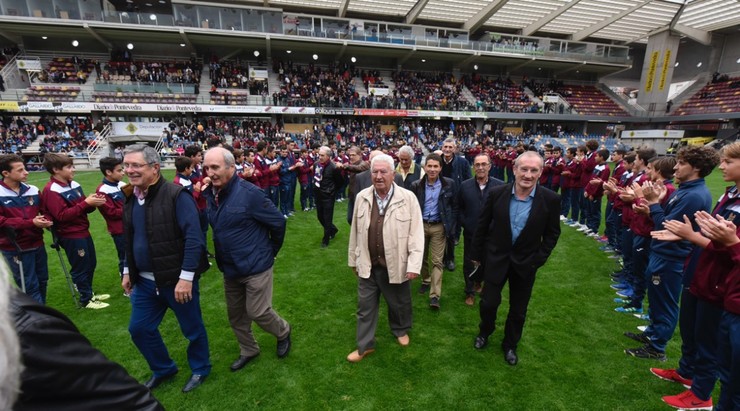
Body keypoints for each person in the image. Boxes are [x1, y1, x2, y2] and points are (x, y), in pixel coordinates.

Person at [5, 257, 164, 410]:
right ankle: (163, 369)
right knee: (138, 329)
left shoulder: (27, 331)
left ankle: (87, 295)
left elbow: (132, 401)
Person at [120, 144, 211, 393]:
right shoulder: (130, 196)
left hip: (175, 279)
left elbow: (194, 239)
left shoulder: (176, 195)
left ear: (155, 168)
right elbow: (131, 237)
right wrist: (128, 269)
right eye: (126, 165)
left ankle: (201, 368)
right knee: (139, 329)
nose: (129, 170)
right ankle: (163, 369)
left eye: (136, 165)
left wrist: (186, 278)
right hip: (146, 283)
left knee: (192, 329)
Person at [625, 146, 720, 361]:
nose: (675, 167)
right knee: (657, 299)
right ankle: (652, 334)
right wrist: (652, 209)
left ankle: (657, 347)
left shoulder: (694, 195)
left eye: (681, 163)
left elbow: (667, 228)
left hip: (671, 257)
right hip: (663, 253)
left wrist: (652, 204)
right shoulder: (685, 190)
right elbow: (665, 220)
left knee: (665, 302)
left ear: (696, 167)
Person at [201, 147, 292, 372]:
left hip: (256, 265)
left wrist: (270, 250)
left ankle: (283, 331)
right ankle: (249, 349)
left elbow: (278, 222)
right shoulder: (211, 193)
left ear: (232, 168)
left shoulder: (250, 193)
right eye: (206, 167)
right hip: (230, 268)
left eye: (215, 167)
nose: (210, 172)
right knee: (236, 315)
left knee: (258, 311)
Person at [471, 151, 561, 366]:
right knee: (488, 303)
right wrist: (476, 256)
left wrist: (537, 260)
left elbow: (552, 234)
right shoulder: (496, 194)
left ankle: (510, 344)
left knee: (518, 311)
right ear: (514, 169)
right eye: (524, 169)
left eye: (534, 170)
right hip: (496, 260)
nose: (528, 175)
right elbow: (481, 227)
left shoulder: (551, 199)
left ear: (540, 173)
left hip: (526, 264)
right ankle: (485, 331)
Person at [346, 153, 424, 362]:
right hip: (368, 265)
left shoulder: (408, 198)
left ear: (393, 173)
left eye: (383, 171)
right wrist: (353, 259)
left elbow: (417, 234)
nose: (378, 176)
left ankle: (400, 329)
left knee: (399, 302)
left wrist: (414, 264)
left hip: (396, 263)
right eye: (375, 171)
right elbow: (354, 231)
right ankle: (365, 346)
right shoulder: (362, 196)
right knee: (365, 308)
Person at [40, 153, 109, 309]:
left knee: (91, 263)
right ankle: (86, 299)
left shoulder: (74, 184)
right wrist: (86, 203)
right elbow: (62, 216)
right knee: (81, 266)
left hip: (83, 230)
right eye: (69, 167)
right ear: (56, 170)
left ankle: (89, 292)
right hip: (70, 234)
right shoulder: (52, 190)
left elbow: (83, 209)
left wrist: (94, 203)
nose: (73, 169)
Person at [0, 154, 53, 304]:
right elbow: (1, 221)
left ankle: (40, 312)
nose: (26, 172)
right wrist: (31, 223)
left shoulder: (33, 189)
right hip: (14, 247)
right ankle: (39, 319)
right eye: (20, 170)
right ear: (6, 173)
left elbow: (45, 211)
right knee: (29, 285)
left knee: (43, 280)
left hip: (37, 243)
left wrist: (46, 221)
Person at [410, 153, 457, 309]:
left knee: (437, 261)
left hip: (439, 227)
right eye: (429, 166)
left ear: (440, 168)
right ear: (424, 167)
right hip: (420, 226)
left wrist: (451, 226)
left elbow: (454, 206)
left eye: (435, 166)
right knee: (420, 258)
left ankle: (435, 295)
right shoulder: (417, 185)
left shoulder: (449, 184)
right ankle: (425, 279)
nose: (432, 169)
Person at [458, 153, 504, 306]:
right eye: (477, 164)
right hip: (471, 233)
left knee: (488, 262)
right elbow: (459, 208)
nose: (480, 167)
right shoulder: (465, 186)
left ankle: (480, 283)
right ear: (474, 167)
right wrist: (466, 223)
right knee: (469, 263)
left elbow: (503, 211)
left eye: (484, 164)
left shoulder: (500, 186)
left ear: (490, 166)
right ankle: (469, 291)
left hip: (492, 235)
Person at [440, 137, 470, 271]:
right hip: (439, 200)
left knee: (451, 232)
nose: (447, 149)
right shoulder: (436, 160)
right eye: (445, 147)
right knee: (439, 232)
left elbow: (468, 181)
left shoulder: (463, 162)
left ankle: (450, 258)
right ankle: (440, 257)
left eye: (450, 147)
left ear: (455, 149)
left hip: (455, 200)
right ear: (442, 148)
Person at [96, 157, 127, 285]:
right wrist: (130, 210)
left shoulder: (123, 184)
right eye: (119, 170)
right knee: (125, 259)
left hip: (132, 227)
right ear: (108, 172)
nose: (123, 172)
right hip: (119, 230)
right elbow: (111, 213)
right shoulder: (102, 190)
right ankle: (127, 286)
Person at [314, 146, 343, 248]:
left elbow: (340, 182)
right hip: (318, 195)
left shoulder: (333, 167)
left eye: (322, 155)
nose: (320, 157)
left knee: (327, 218)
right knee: (320, 216)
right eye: (319, 155)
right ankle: (333, 229)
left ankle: (325, 239)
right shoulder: (316, 164)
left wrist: (332, 191)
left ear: (328, 156)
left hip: (328, 196)